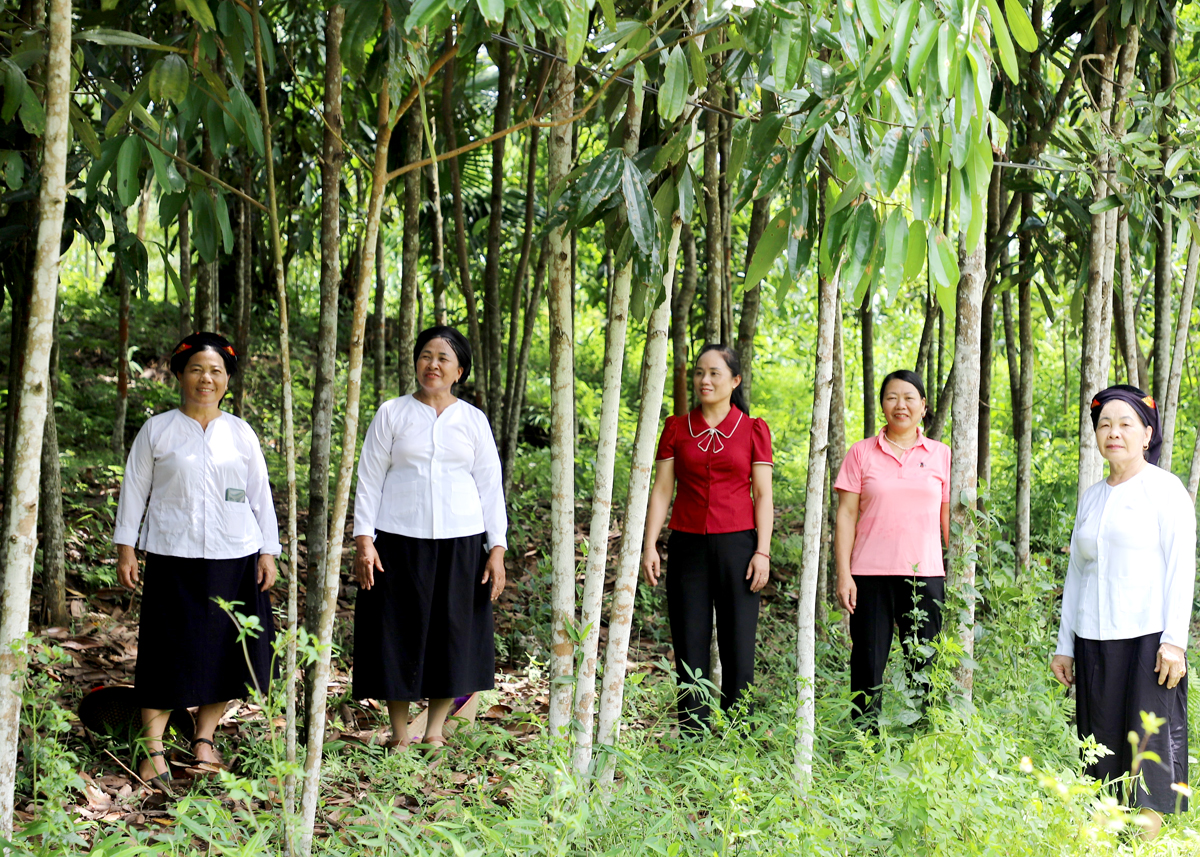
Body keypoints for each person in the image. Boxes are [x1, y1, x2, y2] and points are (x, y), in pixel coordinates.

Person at [114, 332, 279, 791]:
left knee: (227, 652)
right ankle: (154, 750)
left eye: (216, 371)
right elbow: (134, 490)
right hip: (173, 555)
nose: (206, 379)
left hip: (235, 555)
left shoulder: (240, 433)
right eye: (196, 370)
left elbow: (259, 496)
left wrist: (269, 549)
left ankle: (204, 739)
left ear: (227, 380)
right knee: (165, 652)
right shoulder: (158, 429)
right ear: (180, 374)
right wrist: (126, 546)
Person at [352, 326, 507, 752]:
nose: (432, 364)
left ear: (459, 370)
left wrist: (497, 549)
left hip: (461, 544)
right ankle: (400, 734)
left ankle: (436, 729)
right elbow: (369, 479)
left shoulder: (473, 420)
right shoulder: (392, 413)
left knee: (453, 634)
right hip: (398, 542)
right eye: (425, 355)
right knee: (396, 633)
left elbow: (490, 488)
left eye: (443, 357)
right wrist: (364, 539)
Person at [1051, 385, 1195, 839]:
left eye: (1125, 423)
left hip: (1149, 638)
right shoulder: (1092, 498)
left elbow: (1180, 568)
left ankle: (1145, 845)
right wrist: (1064, 646)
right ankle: (1105, 838)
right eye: (1104, 424)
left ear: (1147, 433)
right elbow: (1077, 575)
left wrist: (1174, 641)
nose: (1113, 432)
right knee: (1101, 744)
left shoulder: (1165, 490)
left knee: (1148, 746)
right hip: (1094, 638)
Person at [642, 344, 774, 732]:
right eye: (700, 372)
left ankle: (738, 734)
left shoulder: (752, 429)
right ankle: (693, 734)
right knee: (689, 642)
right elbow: (663, 489)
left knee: (738, 645)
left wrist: (762, 551)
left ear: (734, 381)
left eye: (715, 373)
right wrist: (651, 544)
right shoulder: (677, 428)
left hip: (739, 547)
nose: (705, 380)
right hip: (687, 546)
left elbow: (763, 495)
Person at [834, 369, 950, 727]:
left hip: (925, 574)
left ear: (923, 406)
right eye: (891, 397)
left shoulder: (940, 454)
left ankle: (924, 740)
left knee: (924, 664)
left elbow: (949, 521)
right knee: (867, 665)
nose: (900, 405)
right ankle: (864, 744)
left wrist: (959, 574)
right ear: (882, 404)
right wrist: (843, 574)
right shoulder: (861, 453)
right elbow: (846, 516)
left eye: (909, 398)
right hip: (869, 575)